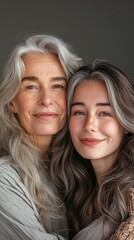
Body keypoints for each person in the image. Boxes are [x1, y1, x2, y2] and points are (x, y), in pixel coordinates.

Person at [0, 34, 83, 240]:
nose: (46, 99)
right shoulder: (3, 177)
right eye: (31, 86)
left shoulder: (82, 164)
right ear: (12, 102)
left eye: (57, 86)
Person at [50, 60, 134, 239]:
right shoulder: (76, 193)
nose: (89, 125)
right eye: (79, 112)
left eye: (104, 113)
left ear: (125, 121)